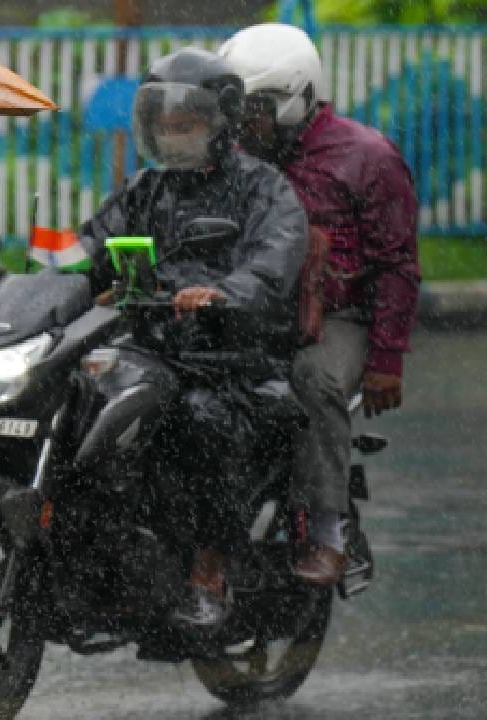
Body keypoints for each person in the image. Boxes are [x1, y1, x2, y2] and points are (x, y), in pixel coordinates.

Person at [75, 47, 307, 630]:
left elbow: (272, 265)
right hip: (151, 349)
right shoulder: (144, 189)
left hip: (230, 358)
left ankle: (209, 571)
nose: (173, 135)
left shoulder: (264, 189)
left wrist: (222, 293)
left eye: (186, 125)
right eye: (164, 125)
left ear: (220, 122)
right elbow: (87, 251)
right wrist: (24, 283)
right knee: (74, 403)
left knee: (201, 421)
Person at [220, 23, 420, 584]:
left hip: (338, 316)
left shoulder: (368, 157)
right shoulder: (233, 158)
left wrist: (386, 361)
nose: (243, 123)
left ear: (298, 96)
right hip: (250, 312)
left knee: (313, 378)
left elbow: (397, 265)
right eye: (236, 108)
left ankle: (330, 529)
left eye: (256, 109)